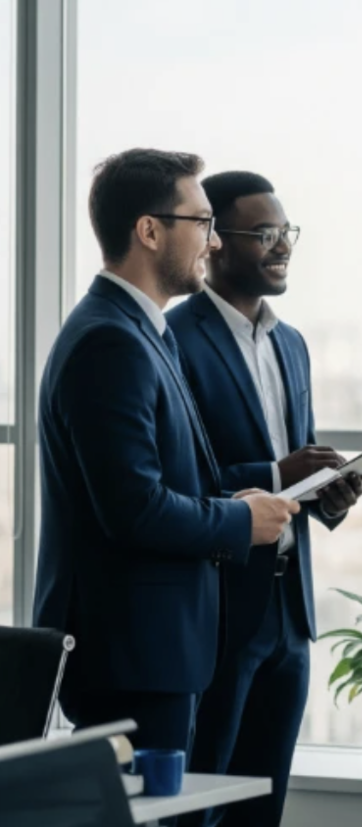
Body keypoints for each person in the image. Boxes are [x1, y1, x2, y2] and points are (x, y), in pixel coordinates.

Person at [32, 149, 297, 757]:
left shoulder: (141, 330)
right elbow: (133, 509)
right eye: (201, 223)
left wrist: (237, 497)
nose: (212, 242)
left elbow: (165, 480)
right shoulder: (110, 340)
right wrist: (240, 520)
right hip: (131, 654)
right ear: (149, 231)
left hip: (155, 650)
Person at [168, 171, 362, 827]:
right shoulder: (173, 338)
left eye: (287, 232)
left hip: (290, 608)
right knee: (198, 802)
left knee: (263, 806)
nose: (282, 246)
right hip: (218, 607)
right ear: (216, 241)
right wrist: (277, 472)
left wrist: (329, 491)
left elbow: (297, 464)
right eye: (264, 233)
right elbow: (177, 477)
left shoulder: (293, 344)